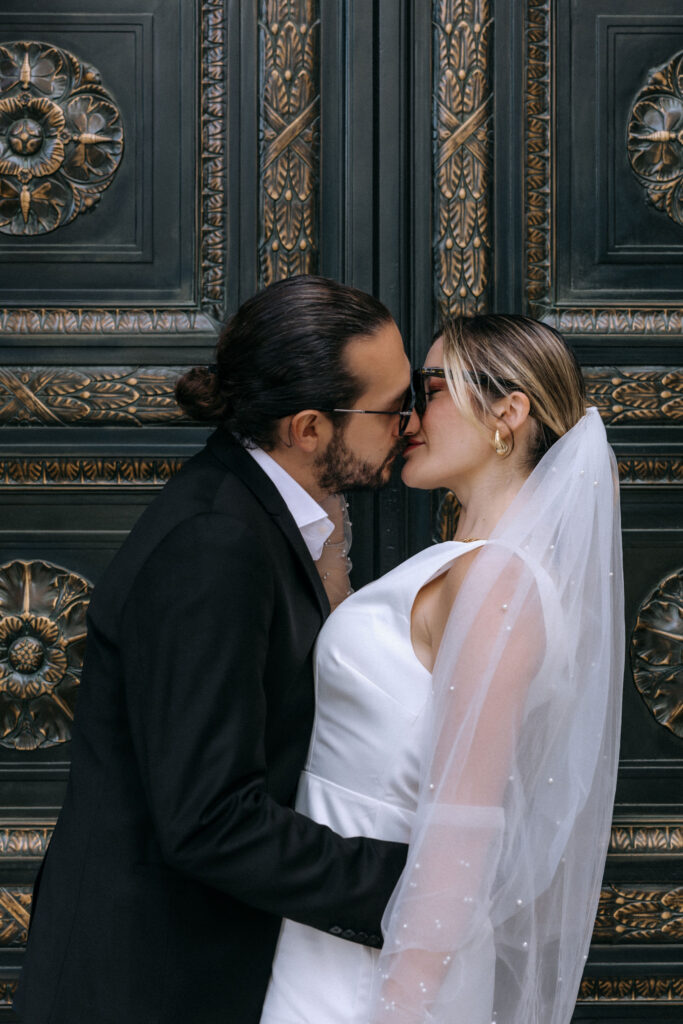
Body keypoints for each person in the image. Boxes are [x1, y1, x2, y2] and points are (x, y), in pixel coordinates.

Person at [13, 275, 415, 1024]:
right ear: (308, 430)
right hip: (148, 984)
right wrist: (417, 885)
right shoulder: (216, 544)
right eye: (391, 410)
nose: (411, 425)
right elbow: (209, 819)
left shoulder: (260, 517)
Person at [261, 313, 624, 1024]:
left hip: (372, 965)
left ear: (506, 414)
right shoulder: (462, 567)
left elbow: (462, 819)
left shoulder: (501, 585)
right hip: (318, 923)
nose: (406, 416)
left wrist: (402, 1005)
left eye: (430, 389)